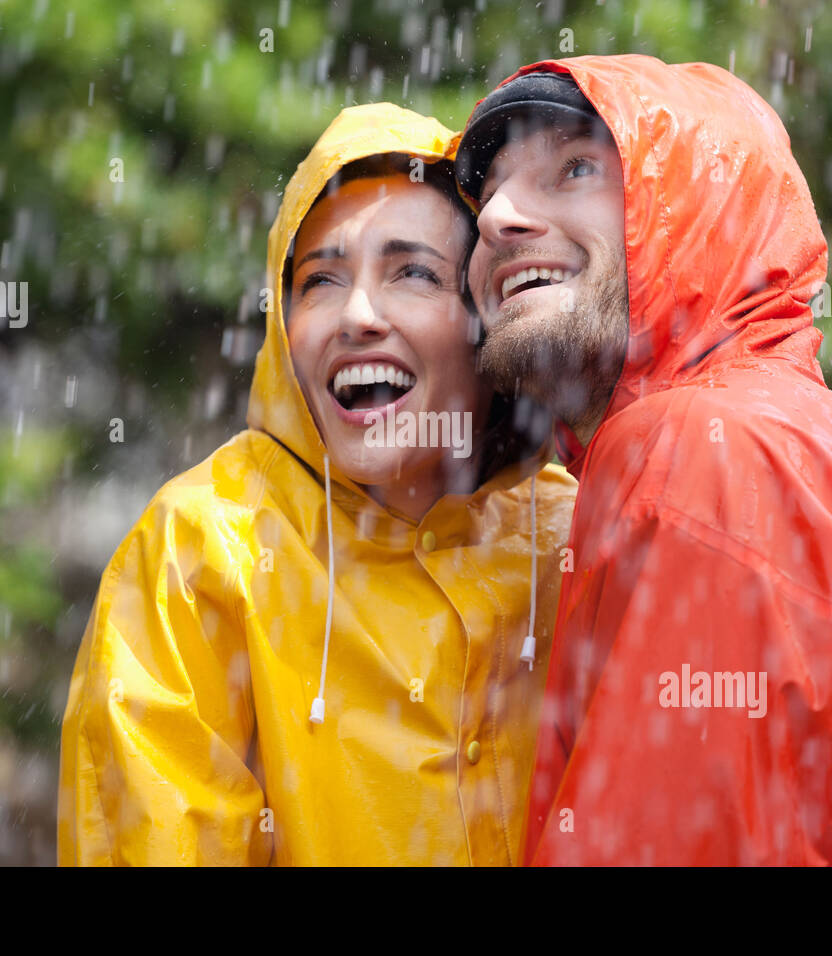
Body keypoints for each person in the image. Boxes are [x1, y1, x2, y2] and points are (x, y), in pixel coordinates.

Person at [454, 55, 832, 865]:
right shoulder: (798, 438)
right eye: (488, 194)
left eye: (573, 169)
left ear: (698, 213)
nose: (497, 217)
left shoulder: (705, 451)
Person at [57, 102, 576, 865]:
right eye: (320, 280)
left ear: (484, 320)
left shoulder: (578, 536)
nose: (357, 314)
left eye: (413, 273)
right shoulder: (202, 550)